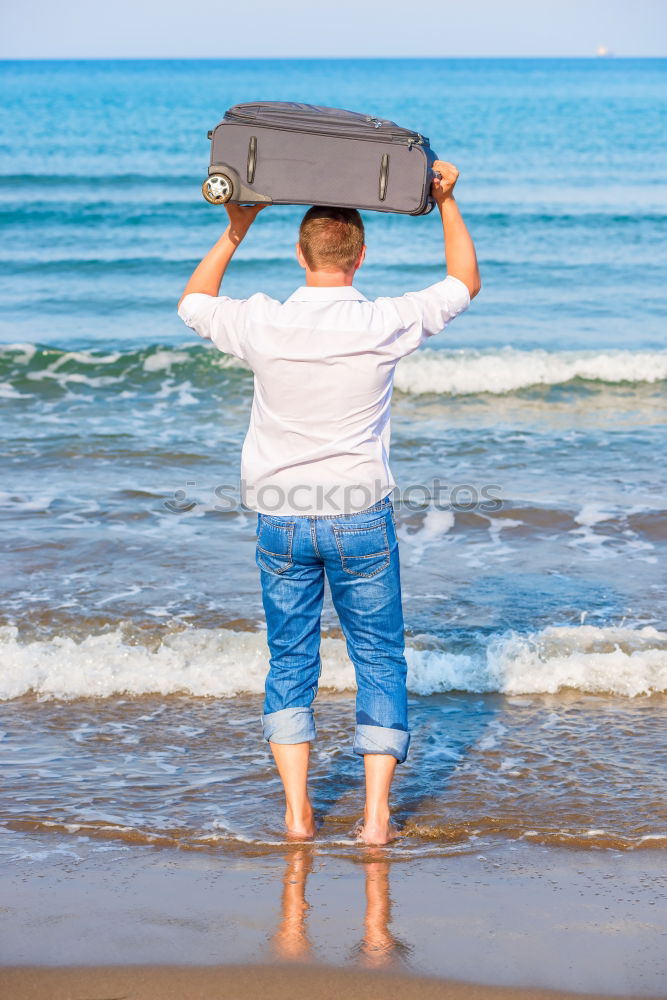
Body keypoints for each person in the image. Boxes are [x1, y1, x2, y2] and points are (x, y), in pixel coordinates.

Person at [178, 162, 480, 845]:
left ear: (299, 253)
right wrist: (447, 202)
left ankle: (296, 812)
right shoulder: (382, 322)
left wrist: (234, 230)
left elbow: (193, 302)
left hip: (281, 516)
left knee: (290, 660)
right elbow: (463, 282)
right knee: (378, 659)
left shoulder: (263, 323)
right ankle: (374, 818)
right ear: (360, 254)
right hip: (358, 515)